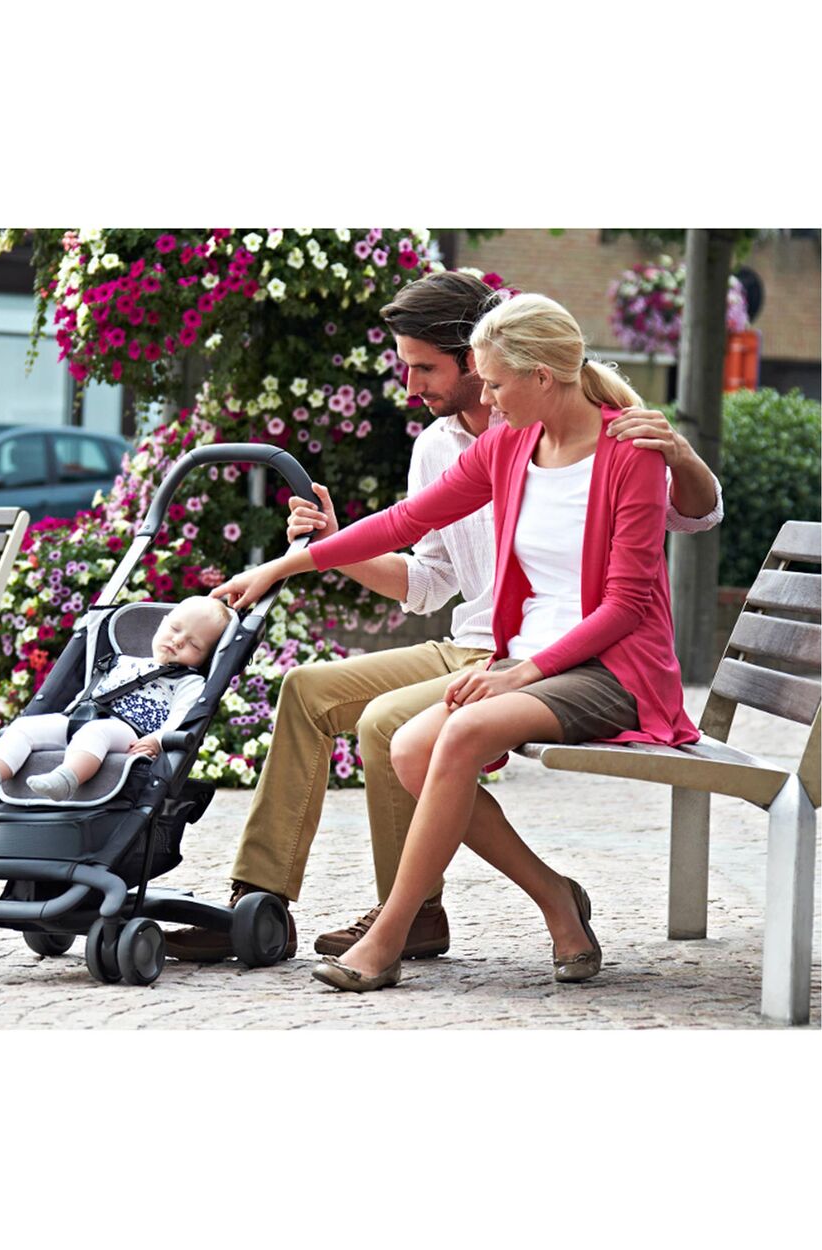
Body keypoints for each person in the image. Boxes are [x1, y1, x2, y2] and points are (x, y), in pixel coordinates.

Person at [163, 271, 722, 965]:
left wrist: (520, 673)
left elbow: (646, 579)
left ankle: (394, 929)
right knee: (379, 728)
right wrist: (287, 564)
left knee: (419, 730)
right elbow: (408, 530)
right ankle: (267, 899)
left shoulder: (624, 449)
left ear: (538, 375)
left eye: (485, 382)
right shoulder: (498, 444)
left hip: (596, 666)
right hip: (507, 653)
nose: (482, 400)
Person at [0, 596, 231, 802]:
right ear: (161, 625)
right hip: (79, 718)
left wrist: (158, 740)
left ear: (205, 656)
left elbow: (182, 717)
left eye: (194, 644)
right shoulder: (122, 661)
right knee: (24, 727)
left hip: (128, 732)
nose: (179, 641)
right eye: (175, 629)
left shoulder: (189, 681)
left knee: (97, 732)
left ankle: (65, 779)